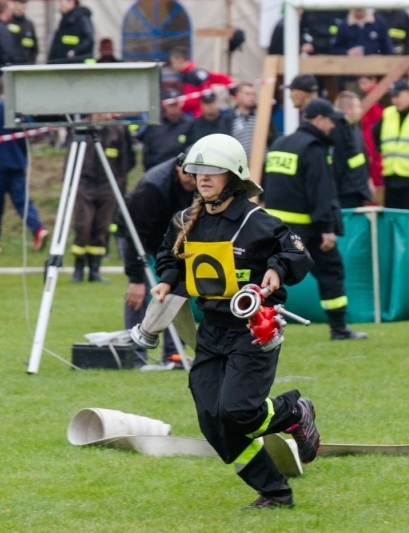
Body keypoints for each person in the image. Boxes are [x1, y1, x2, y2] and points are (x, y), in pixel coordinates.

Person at [152, 133, 318, 508]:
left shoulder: (257, 221)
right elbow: (170, 258)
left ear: (233, 176)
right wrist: (166, 280)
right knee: (212, 419)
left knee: (238, 412)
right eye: (198, 171)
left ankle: (294, 412)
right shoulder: (185, 222)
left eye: (213, 171)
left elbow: (297, 253)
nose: (203, 178)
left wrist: (277, 269)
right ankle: (274, 493)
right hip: (211, 331)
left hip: (254, 329)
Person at [264, 98, 367, 341]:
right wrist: (327, 229)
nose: (333, 126)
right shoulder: (314, 148)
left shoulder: (280, 144)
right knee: (331, 272)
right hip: (308, 230)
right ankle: (339, 328)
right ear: (319, 120)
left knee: (269, 278)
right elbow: (321, 193)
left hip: (275, 229)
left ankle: (260, 328)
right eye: (330, 121)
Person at [121, 154, 196, 364]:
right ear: (178, 167)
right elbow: (135, 234)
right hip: (138, 235)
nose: (195, 179)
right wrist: (135, 279)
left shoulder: (200, 185)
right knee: (138, 292)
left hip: (169, 237)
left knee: (179, 289)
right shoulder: (152, 187)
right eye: (189, 173)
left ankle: (174, 354)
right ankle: (135, 354)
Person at [0, 79, 48, 254]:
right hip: (17, 162)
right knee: (22, 201)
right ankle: (37, 229)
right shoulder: (20, 112)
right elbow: (30, 135)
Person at [69, 121, 128, 282]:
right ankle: (78, 269)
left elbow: (124, 161)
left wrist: (118, 183)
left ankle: (94, 270)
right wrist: (72, 183)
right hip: (84, 185)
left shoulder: (116, 131)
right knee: (83, 226)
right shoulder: (81, 128)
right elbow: (70, 158)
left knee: (101, 228)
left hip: (107, 186)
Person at [372, 78, 409, 209]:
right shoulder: (388, 113)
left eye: (398, 95)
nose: (394, 100)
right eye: (392, 97)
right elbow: (375, 135)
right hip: (391, 180)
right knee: (392, 218)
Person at [332, 91, 373, 208]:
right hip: (345, 194)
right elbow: (336, 164)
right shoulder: (336, 130)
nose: (361, 111)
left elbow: (362, 155)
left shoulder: (353, 127)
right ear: (348, 110)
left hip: (356, 190)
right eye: (358, 107)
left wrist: (368, 181)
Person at [168, 47, 234, 118]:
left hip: (201, 115)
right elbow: (222, 78)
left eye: (173, 62)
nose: (172, 66)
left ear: (180, 60)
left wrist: (179, 107)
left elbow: (193, 101)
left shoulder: (192, 75)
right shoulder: (193, 73)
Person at [140, 88, 191, 171]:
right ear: (165, 105)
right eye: (171, 105)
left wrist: (181, 167)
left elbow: (190, 149)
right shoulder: (155, 125)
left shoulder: (189, 125)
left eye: (175, 104)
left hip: (180, 170)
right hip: (156, 168)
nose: (173, 108)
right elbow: (147, 150)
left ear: (181, 104)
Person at [229, 81, 279, 159]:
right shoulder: (230, 119)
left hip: (262, 163)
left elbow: (274, 137)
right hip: (239, 164)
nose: (251, 97)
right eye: (247, 94)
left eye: (253, 94)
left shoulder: (261, 116)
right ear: (238, 96)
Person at [357, 75, 384, 203]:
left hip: (371, 145)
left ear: (373, 80)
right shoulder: (373, 98)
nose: (361, 86)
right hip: (371, 144)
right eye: (360, 83)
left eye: (364, 82)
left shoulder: (373, 99)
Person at [48, 0, 95, 64]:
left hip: (78, 65)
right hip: (63, 64)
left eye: (62, 2)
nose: (60, 5)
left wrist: (74, 51)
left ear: (71, 2)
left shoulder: (82, 18)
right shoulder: (65, 19)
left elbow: (89, 40)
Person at [10, 0, 39, 65]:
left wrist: (31, 61)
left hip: (27, 65)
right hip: (12, 66)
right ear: (14, 4)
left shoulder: (29, 24)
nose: (24, 6)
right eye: (21, 3)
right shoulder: (8, 23)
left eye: (25, 3)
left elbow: (35, 48)